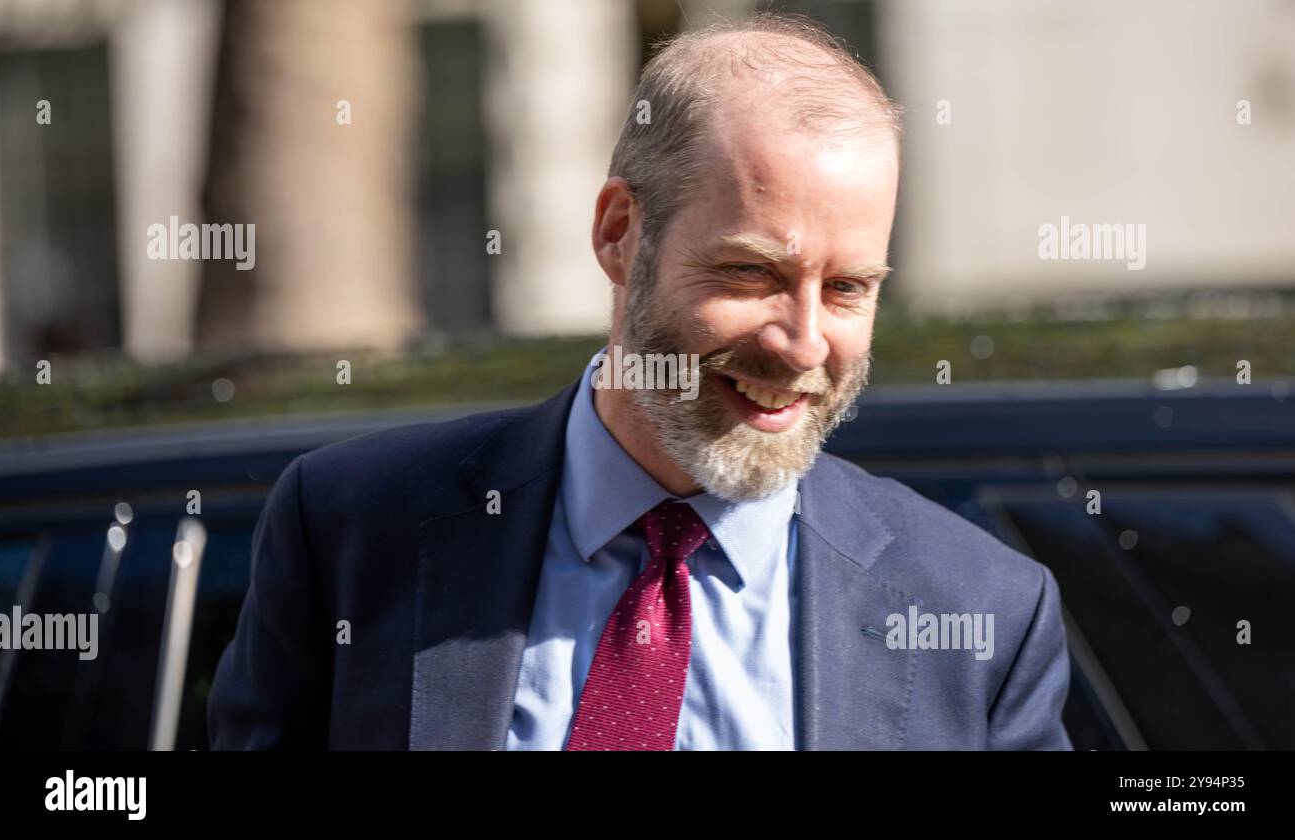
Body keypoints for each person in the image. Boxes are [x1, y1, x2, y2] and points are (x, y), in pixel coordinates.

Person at [208, 13, 1072, 750]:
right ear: (621, 233)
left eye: (848, 288)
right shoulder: (355, 530)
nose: (805, 344)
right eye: (751, 274)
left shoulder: (981, 612)